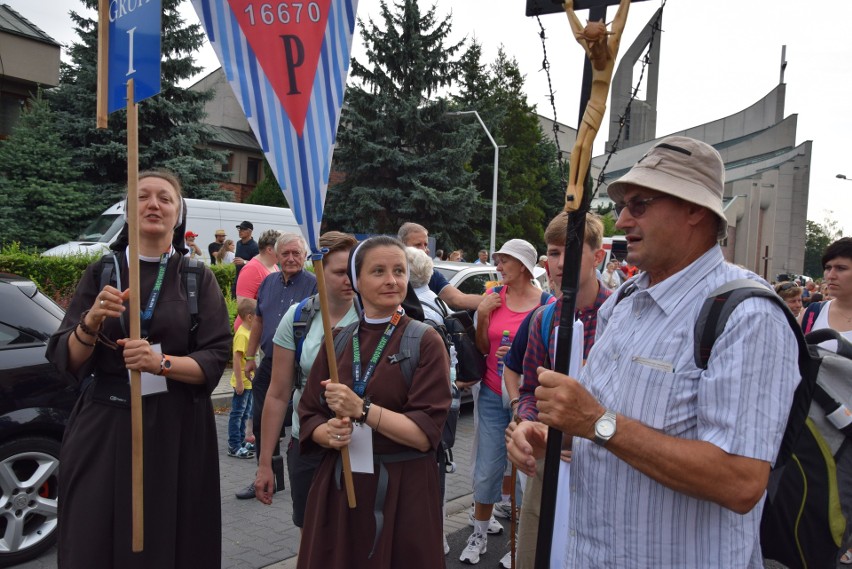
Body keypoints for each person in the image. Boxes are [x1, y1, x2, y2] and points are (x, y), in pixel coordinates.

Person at [506, 136, 800, 568]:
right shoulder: (624, 301)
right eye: (623, 204)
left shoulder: (748, 315)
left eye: (639, 204)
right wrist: (552, 436)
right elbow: (600, 422)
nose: (622, 219)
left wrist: (595, 421)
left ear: (694, 210)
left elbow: (741, 481)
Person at [45, 170, 231, 568]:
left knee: (170, 538)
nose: (153, 204)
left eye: (165, 198)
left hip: (176, 428)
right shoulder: (102, 272)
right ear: (128, 212)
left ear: (178, 214)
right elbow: (66, 359)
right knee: (93, 536)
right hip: (105, 424)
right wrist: (91, 322)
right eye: (142, 196)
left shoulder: (197, 277)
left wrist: (160, 363)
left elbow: (216, 358)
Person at [296, 235, 451, 568]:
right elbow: (308, 414)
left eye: (399, 270)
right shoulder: (337, 339)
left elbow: (425, 434)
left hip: (403, 491)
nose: (392, 280)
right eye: (378, 271)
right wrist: (328, 434)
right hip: (342, 486)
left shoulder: (425, 341)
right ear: (357, 281)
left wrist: (362, 410)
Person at [501, 212, 609, 569]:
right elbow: (530, 388)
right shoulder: (543, 318)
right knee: (537, 553)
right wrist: (525, 424)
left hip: (604, 464)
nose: (560, 263)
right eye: (554, 253)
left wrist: (585, 434)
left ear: (598, 256)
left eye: (572, 251)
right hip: (549, 464)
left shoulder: (620, 317)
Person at [254, 231, 360, 534]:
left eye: (352, 271)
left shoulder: (373, 315)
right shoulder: (298, 317)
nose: (349, 279)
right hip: (308, 445)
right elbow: (277, 395)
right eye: (340, 272)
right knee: (313, 536)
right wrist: (265, 464)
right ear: (318, 270)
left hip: (361, 446)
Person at [462, 238, 553, 566]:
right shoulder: (492, 298)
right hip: (490, 392)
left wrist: (520, 356)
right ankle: (479, 536)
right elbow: (482, 347)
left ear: (525, 266)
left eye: (505, 261)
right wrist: (484, 317)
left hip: (529, 398)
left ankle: (519, 542)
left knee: (527, 470)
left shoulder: (546, 303)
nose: (498, 267)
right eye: (498, 260)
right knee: (487, 468)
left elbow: (551, 357)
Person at [236, 233, 318, 500]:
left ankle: (310, 479)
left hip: (302, 369)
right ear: (277, 256)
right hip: (269, 364)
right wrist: (249, 357)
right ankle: (268, 477)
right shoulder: (268, 282)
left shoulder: (314, 285)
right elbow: (258, 321)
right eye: (286, 254)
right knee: (262, 423)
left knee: (303, 424)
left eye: (297, 253)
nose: (291, 258)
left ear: (305, 257)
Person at [798, 238, 852, 565]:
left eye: (841, 268)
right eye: (828, 267)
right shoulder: (812, 312)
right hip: (812, 427)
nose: (830, 274)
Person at [398, 222, 483, 311]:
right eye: (418, 245)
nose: (425, 250)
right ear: (401, 245)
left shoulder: (430, 274)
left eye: (425, 245)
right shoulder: (389, 273)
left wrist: (492, 301)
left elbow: (458, 299)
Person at [233, 229, 281, 331]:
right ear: (269, 249)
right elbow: (243, 305)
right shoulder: (252, 269)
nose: (284, 251)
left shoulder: (274, 266)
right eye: (281, 248)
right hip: (249, 330)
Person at [228, 297, 256, 459]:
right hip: (242, 383)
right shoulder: (242, 335)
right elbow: (237, 359)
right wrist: (239, 381)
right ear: (249, 317)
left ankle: (240, 440)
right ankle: (234, 445)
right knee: (237, 414)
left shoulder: (249, 333)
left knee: (245, 413)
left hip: (249, 382)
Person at [233, 220, 259, 295]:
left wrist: (244, 262)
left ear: (250, 231)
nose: (240, 231)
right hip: (237, 277)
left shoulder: (255, 246)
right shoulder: (238, 243)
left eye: (243, 229)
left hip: (249, 280)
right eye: (239, 229)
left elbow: (257, 264)